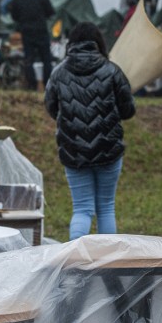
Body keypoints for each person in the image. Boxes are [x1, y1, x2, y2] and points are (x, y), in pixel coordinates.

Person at [44, 22, 136, 241]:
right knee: (106, 207)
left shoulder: (58, 74)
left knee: (82, 209)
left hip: (73, 150)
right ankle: (107, 263)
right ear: (99, 44)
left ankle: (77, 263)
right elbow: (128, 110)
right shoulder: (112, 71)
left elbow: (50, 107)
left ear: (71, 44)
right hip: (108, 149)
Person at [6, 0, 54, 90]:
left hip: (26, 31)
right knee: (46, 59)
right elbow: (51, 12)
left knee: (29, 59)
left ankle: (32, 85)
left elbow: (14, 15)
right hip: (41, 31)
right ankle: (48, 83)